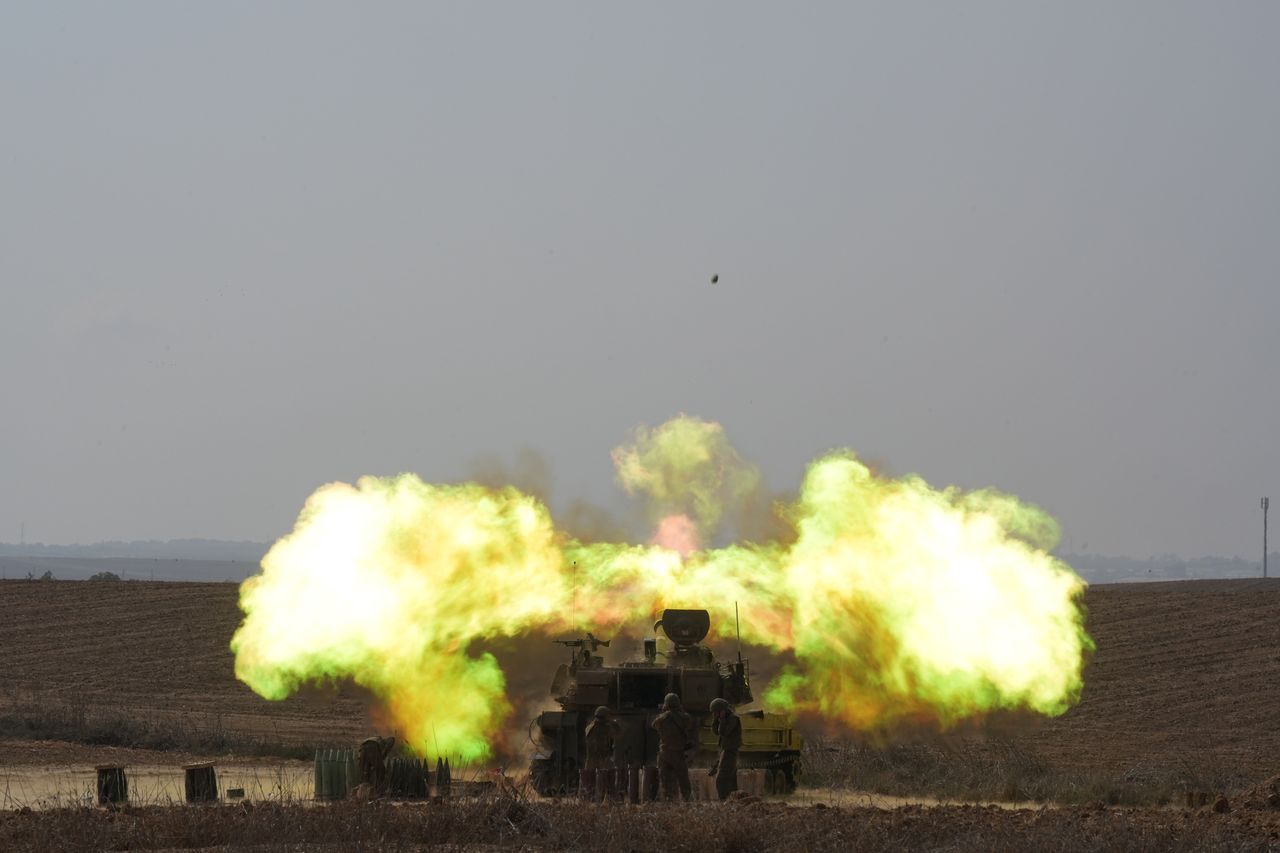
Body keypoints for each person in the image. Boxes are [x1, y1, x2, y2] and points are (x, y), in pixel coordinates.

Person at [651, 693, 695, 801]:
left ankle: (668, 801)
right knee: (683, 780)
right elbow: (689, 724)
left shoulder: (661, 719)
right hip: (678, 753)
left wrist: (664, 711)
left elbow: (653, 725)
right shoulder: (684, 717)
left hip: (664, 753)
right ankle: (687, 800)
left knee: (666, 781)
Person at [707, 698, 741, 800]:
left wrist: (722, 719)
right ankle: (733, 801)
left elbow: (723, 732)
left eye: (715, 712)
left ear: (722, 711)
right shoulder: (725, 719)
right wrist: (715, 719)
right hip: (725, 750)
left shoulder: (733, 719)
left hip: (730, 751)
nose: (714, 714)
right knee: (730, 779)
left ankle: (723, 800)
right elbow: (715, 732)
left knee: (721, 779)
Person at [584, 706, 622, 771]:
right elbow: (618, 733)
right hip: (598, 759)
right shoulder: (601, 728)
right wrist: (613, 723)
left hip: (597, 759)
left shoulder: (591, 727)